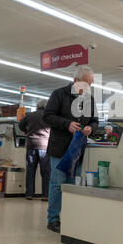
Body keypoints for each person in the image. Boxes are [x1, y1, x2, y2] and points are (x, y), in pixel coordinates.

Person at [43, 65, 99, 233]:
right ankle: (53, 219)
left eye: (90, 85)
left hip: (78, 149)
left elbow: (95, 120)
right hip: (60, 148)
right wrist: (67, 124)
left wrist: (91, 128)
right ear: (75, 81)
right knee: (57, 184)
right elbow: (48, 116)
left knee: (72, 184)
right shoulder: (59, 94)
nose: (88, 88)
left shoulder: (90, 99)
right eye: (85, 84)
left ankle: (68, 216)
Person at [19, 99, 51, 201]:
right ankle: (45, 195)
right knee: (46, 172)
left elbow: (20, 125)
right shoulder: (49, 116)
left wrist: (26, 130)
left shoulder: (30, 115)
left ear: (37, 106)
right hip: (45, 147)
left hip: (31, 146)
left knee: (30, 171)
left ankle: (29, 194)